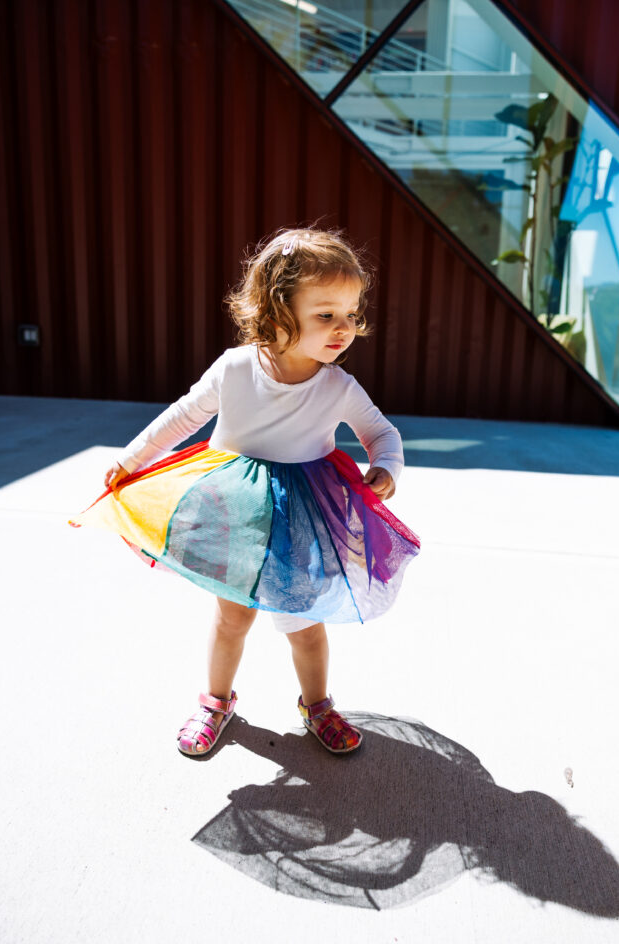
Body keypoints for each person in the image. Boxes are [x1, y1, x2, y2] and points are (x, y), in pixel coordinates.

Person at [73, 227, 420, 758]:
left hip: (303, 514)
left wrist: (387, 467)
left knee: (303, 624)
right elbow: (183, 416)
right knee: (232, 616)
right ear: (279, 311)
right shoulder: (236, 368)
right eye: (326, 315)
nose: (344, 329)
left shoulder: (337, 386)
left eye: (351, 314)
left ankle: (318, 704)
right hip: (233, 505)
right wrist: (130, 459)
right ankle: (216, 701)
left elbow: (382, 433)